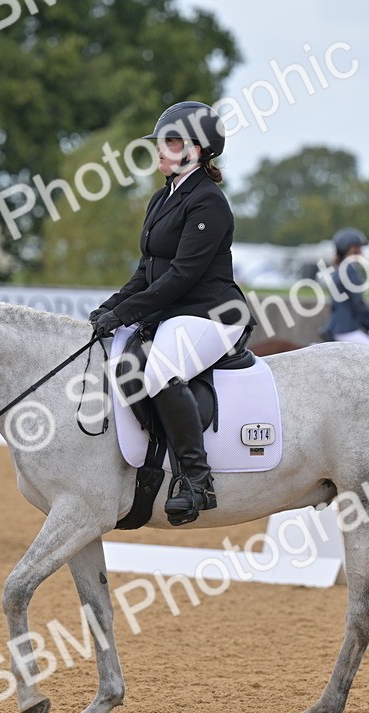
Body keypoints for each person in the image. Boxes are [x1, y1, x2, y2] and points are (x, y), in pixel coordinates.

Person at [90, 101, 253, 526]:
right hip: (173, 313)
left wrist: (126, 312)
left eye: (172, 142)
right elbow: (146, 270)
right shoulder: (162, 198)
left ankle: (197, 480)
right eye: (161, 142)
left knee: (161, 372)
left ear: (198, 150)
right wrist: (111, 307)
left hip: (211, 314)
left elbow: (182, 275)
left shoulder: (209, 202)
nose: (161, 149)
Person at [320, 228, 369, 346]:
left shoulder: (339, 269)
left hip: (337, 327)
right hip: (347, 329)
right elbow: (359, 306)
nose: (362, 252)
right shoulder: (349, 271)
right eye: (360, 247)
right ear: (352, 248)